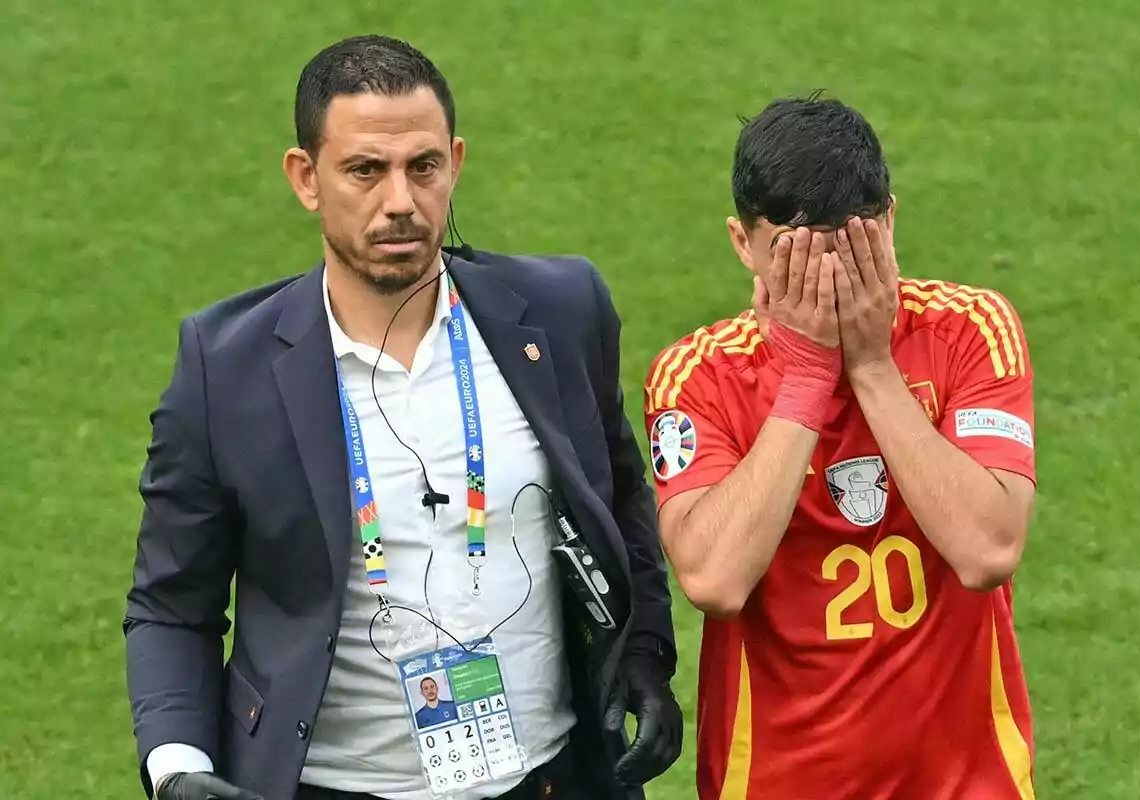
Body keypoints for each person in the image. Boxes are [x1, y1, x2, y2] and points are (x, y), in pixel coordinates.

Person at [124, 34, 682, 800]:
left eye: (423, 167)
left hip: (548, 780)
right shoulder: (226, 369)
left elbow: (618, 495)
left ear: (454, 160)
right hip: (330, 787)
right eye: (365, 170)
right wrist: (177, 767)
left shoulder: (560, 314)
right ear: (305, 178)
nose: (400, 201)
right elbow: (170, 603)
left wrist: (645, 650)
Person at [642, 95, 1038, 799]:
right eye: (795, 261)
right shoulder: (699, 376)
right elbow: (714, 579)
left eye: (850, 255)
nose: (826, 285)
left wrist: (873, 369)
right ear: (743, 244)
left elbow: (988, 550)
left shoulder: (971, 329)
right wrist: (805, 378)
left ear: (888, 222)